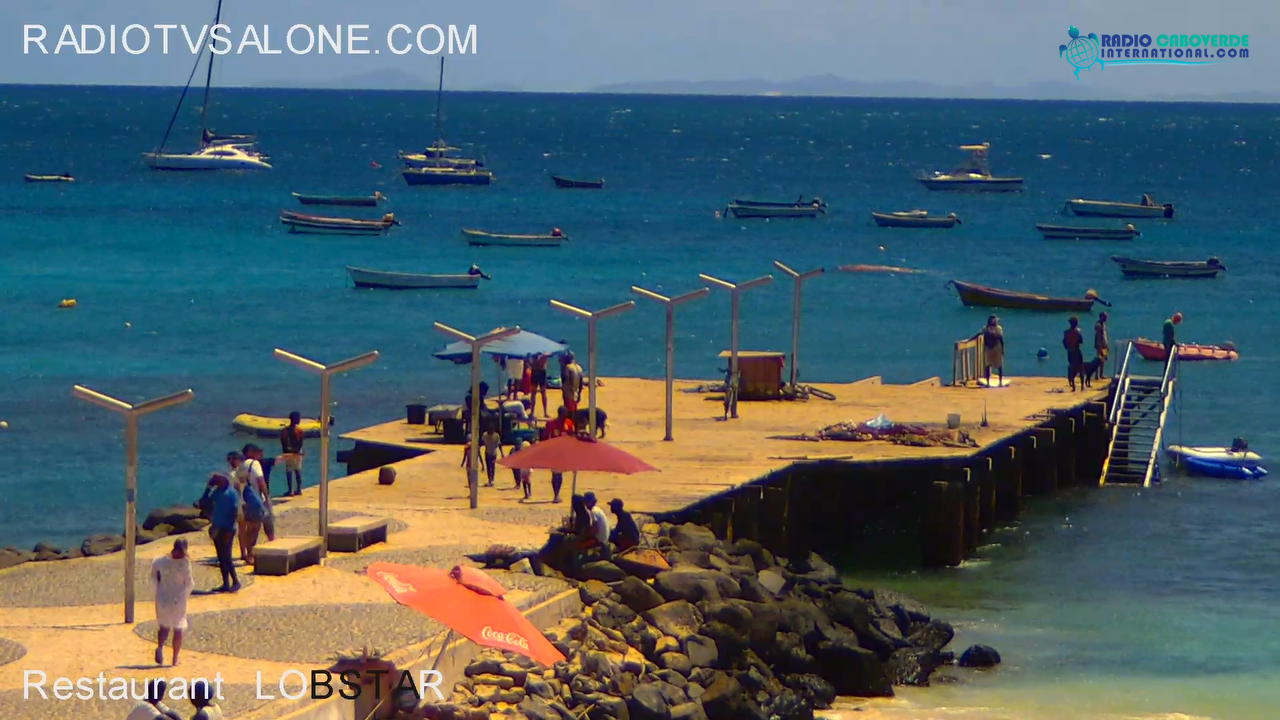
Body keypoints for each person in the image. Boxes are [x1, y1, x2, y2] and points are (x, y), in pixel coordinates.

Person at [150, 539, 194, 667]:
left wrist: (157, 592)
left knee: (164, 626)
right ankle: (174, 658)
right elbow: (190, 583)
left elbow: (153, 579)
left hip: (163, 597)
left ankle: (160, 647)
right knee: (178, 628)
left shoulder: (159, 561)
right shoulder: (185, 563)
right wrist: (184, 595)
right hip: (178, 599)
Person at [200, 473, 240, 593]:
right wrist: (208, 488)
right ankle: (225, 583)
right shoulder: (217, 492)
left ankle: (236, 581)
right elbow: (204, 502)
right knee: (221, 556)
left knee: (226, 555)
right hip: (217, 526)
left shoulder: (231, 493)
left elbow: (235, 512)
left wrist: (229, 528)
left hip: (227, 528)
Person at [237, 445, 272, 561]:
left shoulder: (241, 466)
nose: (260, 454)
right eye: (258, 451)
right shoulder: (254, 464)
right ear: (251, 452)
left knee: (248, 528)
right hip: (256, 500)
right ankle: (251, 554)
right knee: (255, 527)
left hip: (244, 500)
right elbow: (261, 481)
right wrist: (267, 497)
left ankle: (247, 553)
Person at [543, 407, 575, 503]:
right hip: (553, 452)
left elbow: (572, 436)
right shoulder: (551, 424)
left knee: (559, 474)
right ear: (559, 414)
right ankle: (555, 493)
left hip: (564, 452)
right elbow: (545, 437)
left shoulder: (569, 423)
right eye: (563, 414)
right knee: (554, 474)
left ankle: (557, 493)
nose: (564, 416)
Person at [972, 315, 1004, 386]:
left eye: (995, 320)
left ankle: (1000, 382)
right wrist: (970, 340)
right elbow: (979, 334)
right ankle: (988, 382)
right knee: (988, 366)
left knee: (999, 366)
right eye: (993, 320)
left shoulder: (998, 328)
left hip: (996, 348)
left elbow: (1000, 338)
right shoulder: (985, 328)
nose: (995, 321)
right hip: (988, 348)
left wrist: (1002, 350)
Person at [280, 411, 306, 496]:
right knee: (297, 470)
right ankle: (299, 489)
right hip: (297, 452)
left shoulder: (285, 431)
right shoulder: (299, 431)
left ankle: (290, 490)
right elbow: (300, 442)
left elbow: (283, 442)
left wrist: (286, 452)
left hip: (288, 452)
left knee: (289, 471)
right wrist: (297, 451)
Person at [583, 492, 611, 558]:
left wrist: (586, 535)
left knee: (579, 544)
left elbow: (596, 529)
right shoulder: (597, 509)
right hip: (604, 537)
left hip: (600, 539)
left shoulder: (593, 511)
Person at [1063, 316, 1085, 392]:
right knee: (1080, 368)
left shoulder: (1066, 332)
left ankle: (1074, 387)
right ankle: (1082, 387)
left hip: (1070, 351)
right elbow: (1081, 341)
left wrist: (1068, 347)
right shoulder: (1077, 332)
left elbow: (1064, 342)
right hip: (1077, 351)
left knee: (1072, 368)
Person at [481, 423, 503, 488]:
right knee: (490, 467)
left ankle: (491, 480)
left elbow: (499, 445)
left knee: (491, 467)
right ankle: (490, 480)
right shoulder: (493, 435)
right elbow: (499, 444)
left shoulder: (492, 435)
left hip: (491, 453)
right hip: (490, 453)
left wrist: (502, 453)